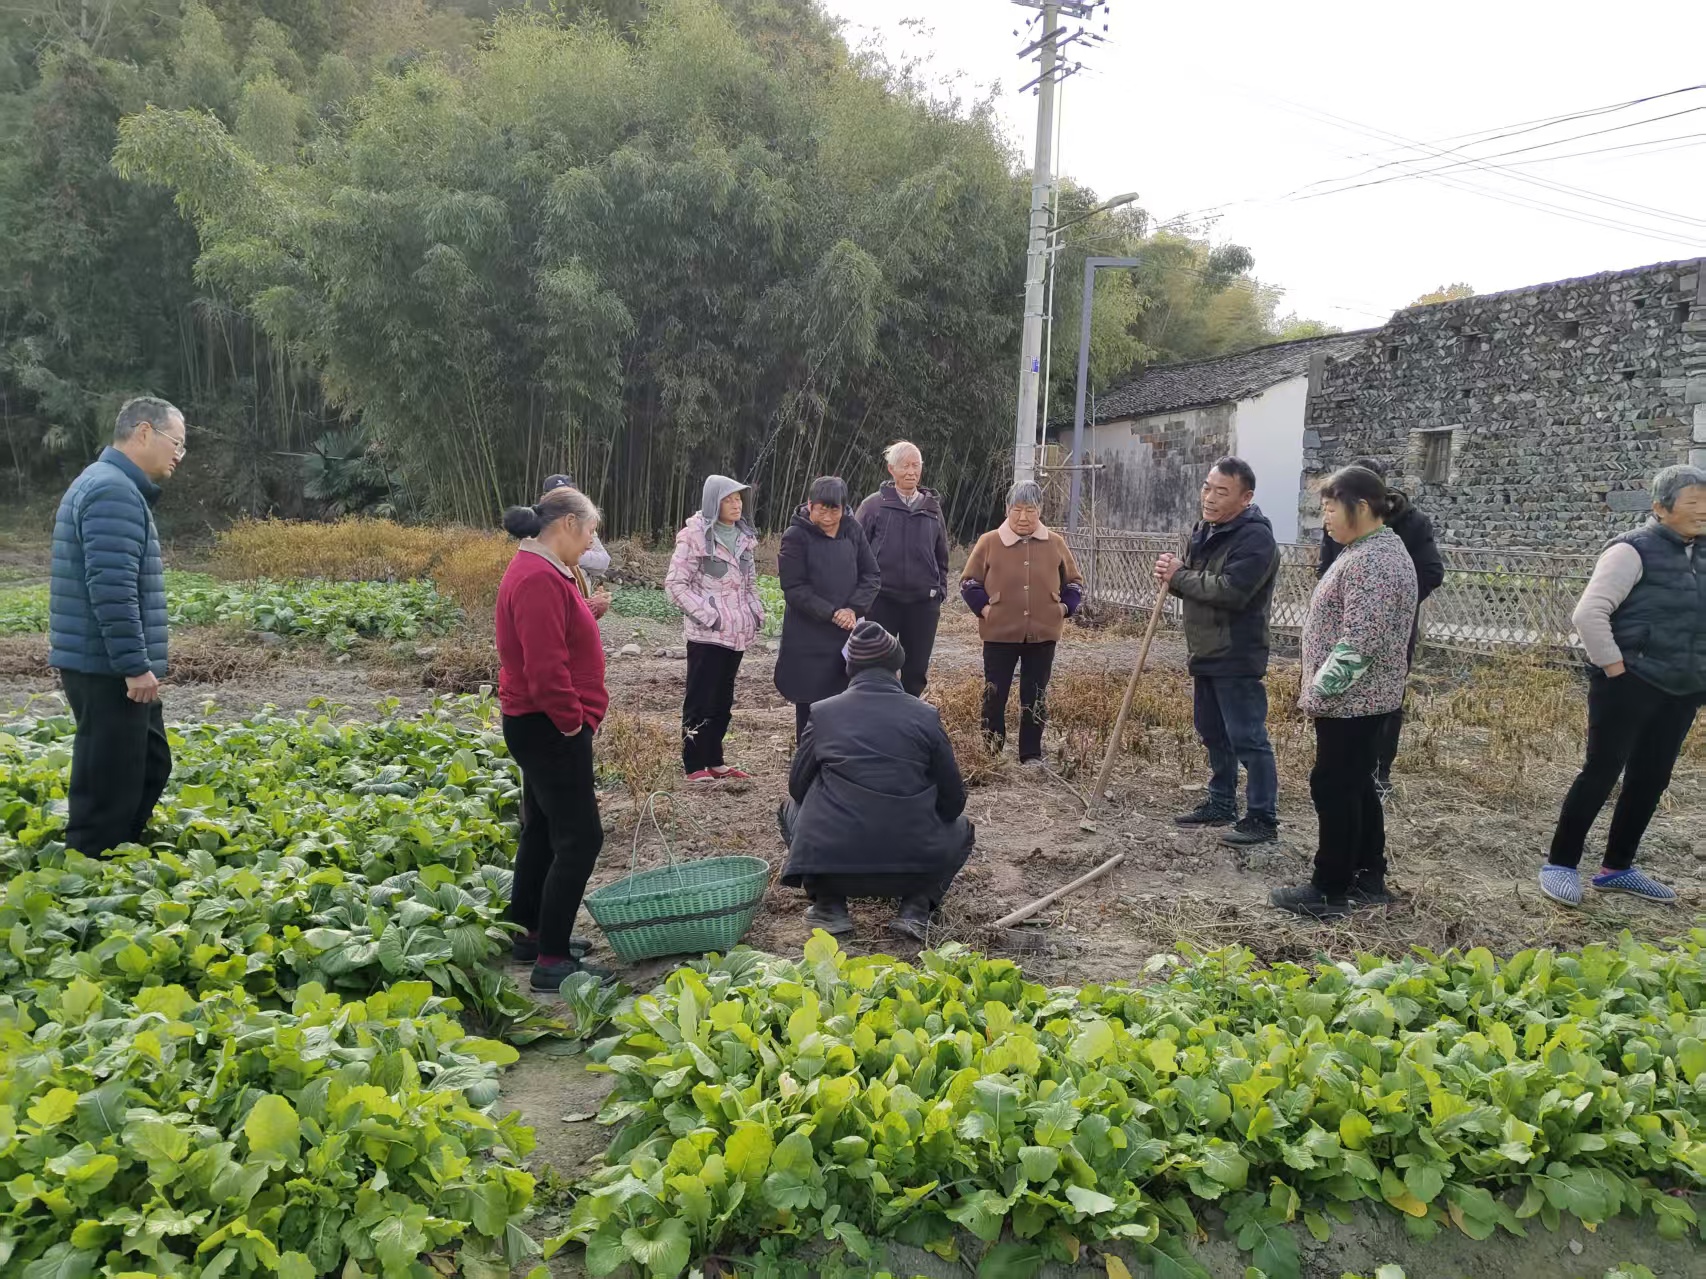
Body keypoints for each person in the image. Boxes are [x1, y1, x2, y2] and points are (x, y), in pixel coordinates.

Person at [1538, 464, 1706, 908]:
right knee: (1601, 772)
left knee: (1651, 778)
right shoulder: (1632, 550)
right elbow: (1588, 614)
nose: (1703, 512)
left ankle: (1618, 868)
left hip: (1684, 687)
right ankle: (1560, 863)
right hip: (1629, 683)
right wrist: (1616, 668)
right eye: (1693, 503)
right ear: (1660, 508)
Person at [1271, 466, 1418, 919]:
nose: (1325, 519)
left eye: (1330, 509)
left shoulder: (1374, 561)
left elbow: (1360, 641)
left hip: (1353, 700)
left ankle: (1329, 887)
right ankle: (1368, 874)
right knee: (1356, 786)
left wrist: (1317, 693)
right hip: (1364, 699)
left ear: (1361, 507)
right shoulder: (1370, 550)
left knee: (1334, 786)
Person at [778, 620, 974, 941]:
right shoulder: (925, 716)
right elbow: (954, 803)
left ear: (849, 669)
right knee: (962, 827)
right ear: (898, 669)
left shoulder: (823, 713)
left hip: (834, 865)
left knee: (790, 807)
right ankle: (915, 909)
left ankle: (829, 905)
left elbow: (797, 788)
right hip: (912, 869)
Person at [49, 396, 185, 856]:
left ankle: (118, 851)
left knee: (148, 761)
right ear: (144, 432)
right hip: (106, 665)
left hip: (103, 661)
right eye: (175, 442)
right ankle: (89, 870)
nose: (178, 454)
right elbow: (111, 588)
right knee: (107, 782)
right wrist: (133, 665)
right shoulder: (112, 491)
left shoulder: (111, 485)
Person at [495, 485, 611, 989]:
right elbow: (545, 671)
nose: (590, 544)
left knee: (541, 827)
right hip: (548, 725)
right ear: (567, 525)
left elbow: (555, 636)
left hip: (535, 723)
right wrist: (573, 723)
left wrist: (588, 615)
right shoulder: (539, 578)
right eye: (590, 532)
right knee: (581, 837)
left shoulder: (543, 571)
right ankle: (553, 960)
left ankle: (530, 932)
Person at [1153, 458, 1282, 845]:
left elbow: (1231, 591)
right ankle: (1221, 801)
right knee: (1211, 730)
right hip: (1205, 650)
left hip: (1236, 652)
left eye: (1220, 491)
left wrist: (1181, 575)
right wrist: (1172, 576)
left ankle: (1262, 817)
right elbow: (1198, 583)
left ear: (1246, 498)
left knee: (1247, 736)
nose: (1208, 497)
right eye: (1207, 487)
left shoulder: (1255, 539)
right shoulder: (1206, 530)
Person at [1316, 456, 1444, 795]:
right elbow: (1327, 568)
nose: (1326, 517)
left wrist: (1386, 601)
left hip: (1380, 641)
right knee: (1345, 770)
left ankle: (1380, 772)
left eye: (1331, 508)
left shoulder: (1406, 528)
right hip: (1340, 640)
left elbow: (1431, 573)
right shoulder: (1341, 523)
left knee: (1380, 709)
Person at [960, 480, 1083, 767]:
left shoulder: (1055, 543)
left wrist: (1064, 608)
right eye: (1017, 510)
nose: (1024, 517)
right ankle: (991, 751)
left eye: (1030, 509)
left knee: (1036, 694)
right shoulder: (989, 541)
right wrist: (986, 609)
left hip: (1043, 632)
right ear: (1007, 510)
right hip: (999, 632)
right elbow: (968, 582)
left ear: (1040, 510)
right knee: (995, 692)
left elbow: (1075, 582)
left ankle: (1031, 753)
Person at [665, 474, 766, 782]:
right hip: (707, 634)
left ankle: (715, 759)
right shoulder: (694, 536)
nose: (736, 505)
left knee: (723, 700)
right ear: (714, 502)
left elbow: (749, 584)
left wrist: (755, 612)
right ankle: (694, 764)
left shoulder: (745, 537)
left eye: (739, 499)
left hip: (736, 634)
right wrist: (710, 616)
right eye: (729, 500)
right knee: (699, 699)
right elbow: (675, 585)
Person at [774, 476, 880, 742]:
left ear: (844, 508)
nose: (829, 516)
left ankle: (841, 759)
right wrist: (833, 612)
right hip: (808, 634)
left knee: (845, 701)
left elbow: (871, 574)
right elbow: (794, 588)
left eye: (835, 509)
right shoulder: (795, 536)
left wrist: (853, 609)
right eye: (822, 508)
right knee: (810, 705)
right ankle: (808, 759)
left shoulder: (852, 530)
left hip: (846, 632)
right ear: (810, 505)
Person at [855, 441, 951, 697]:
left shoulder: (932, 508)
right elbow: (856, 550)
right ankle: (878, 714)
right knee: (878, 664)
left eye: (916, 465)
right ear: (891, 469)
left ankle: (909, 716)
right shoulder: (874, 506)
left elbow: (941, 553)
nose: (911, 472)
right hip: (882, 600)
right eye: (905, 466)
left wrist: (939, 589)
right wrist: (863, 593)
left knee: (916, 668)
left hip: (922, 603)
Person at [540, 473, 612, 619]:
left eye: (568, 498)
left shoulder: (584, 527)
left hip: (582, 605)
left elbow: (603, 561)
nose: (589, 541)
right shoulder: (537, 543)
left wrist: (575, 554)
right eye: (559, 500)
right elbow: (559, 618)